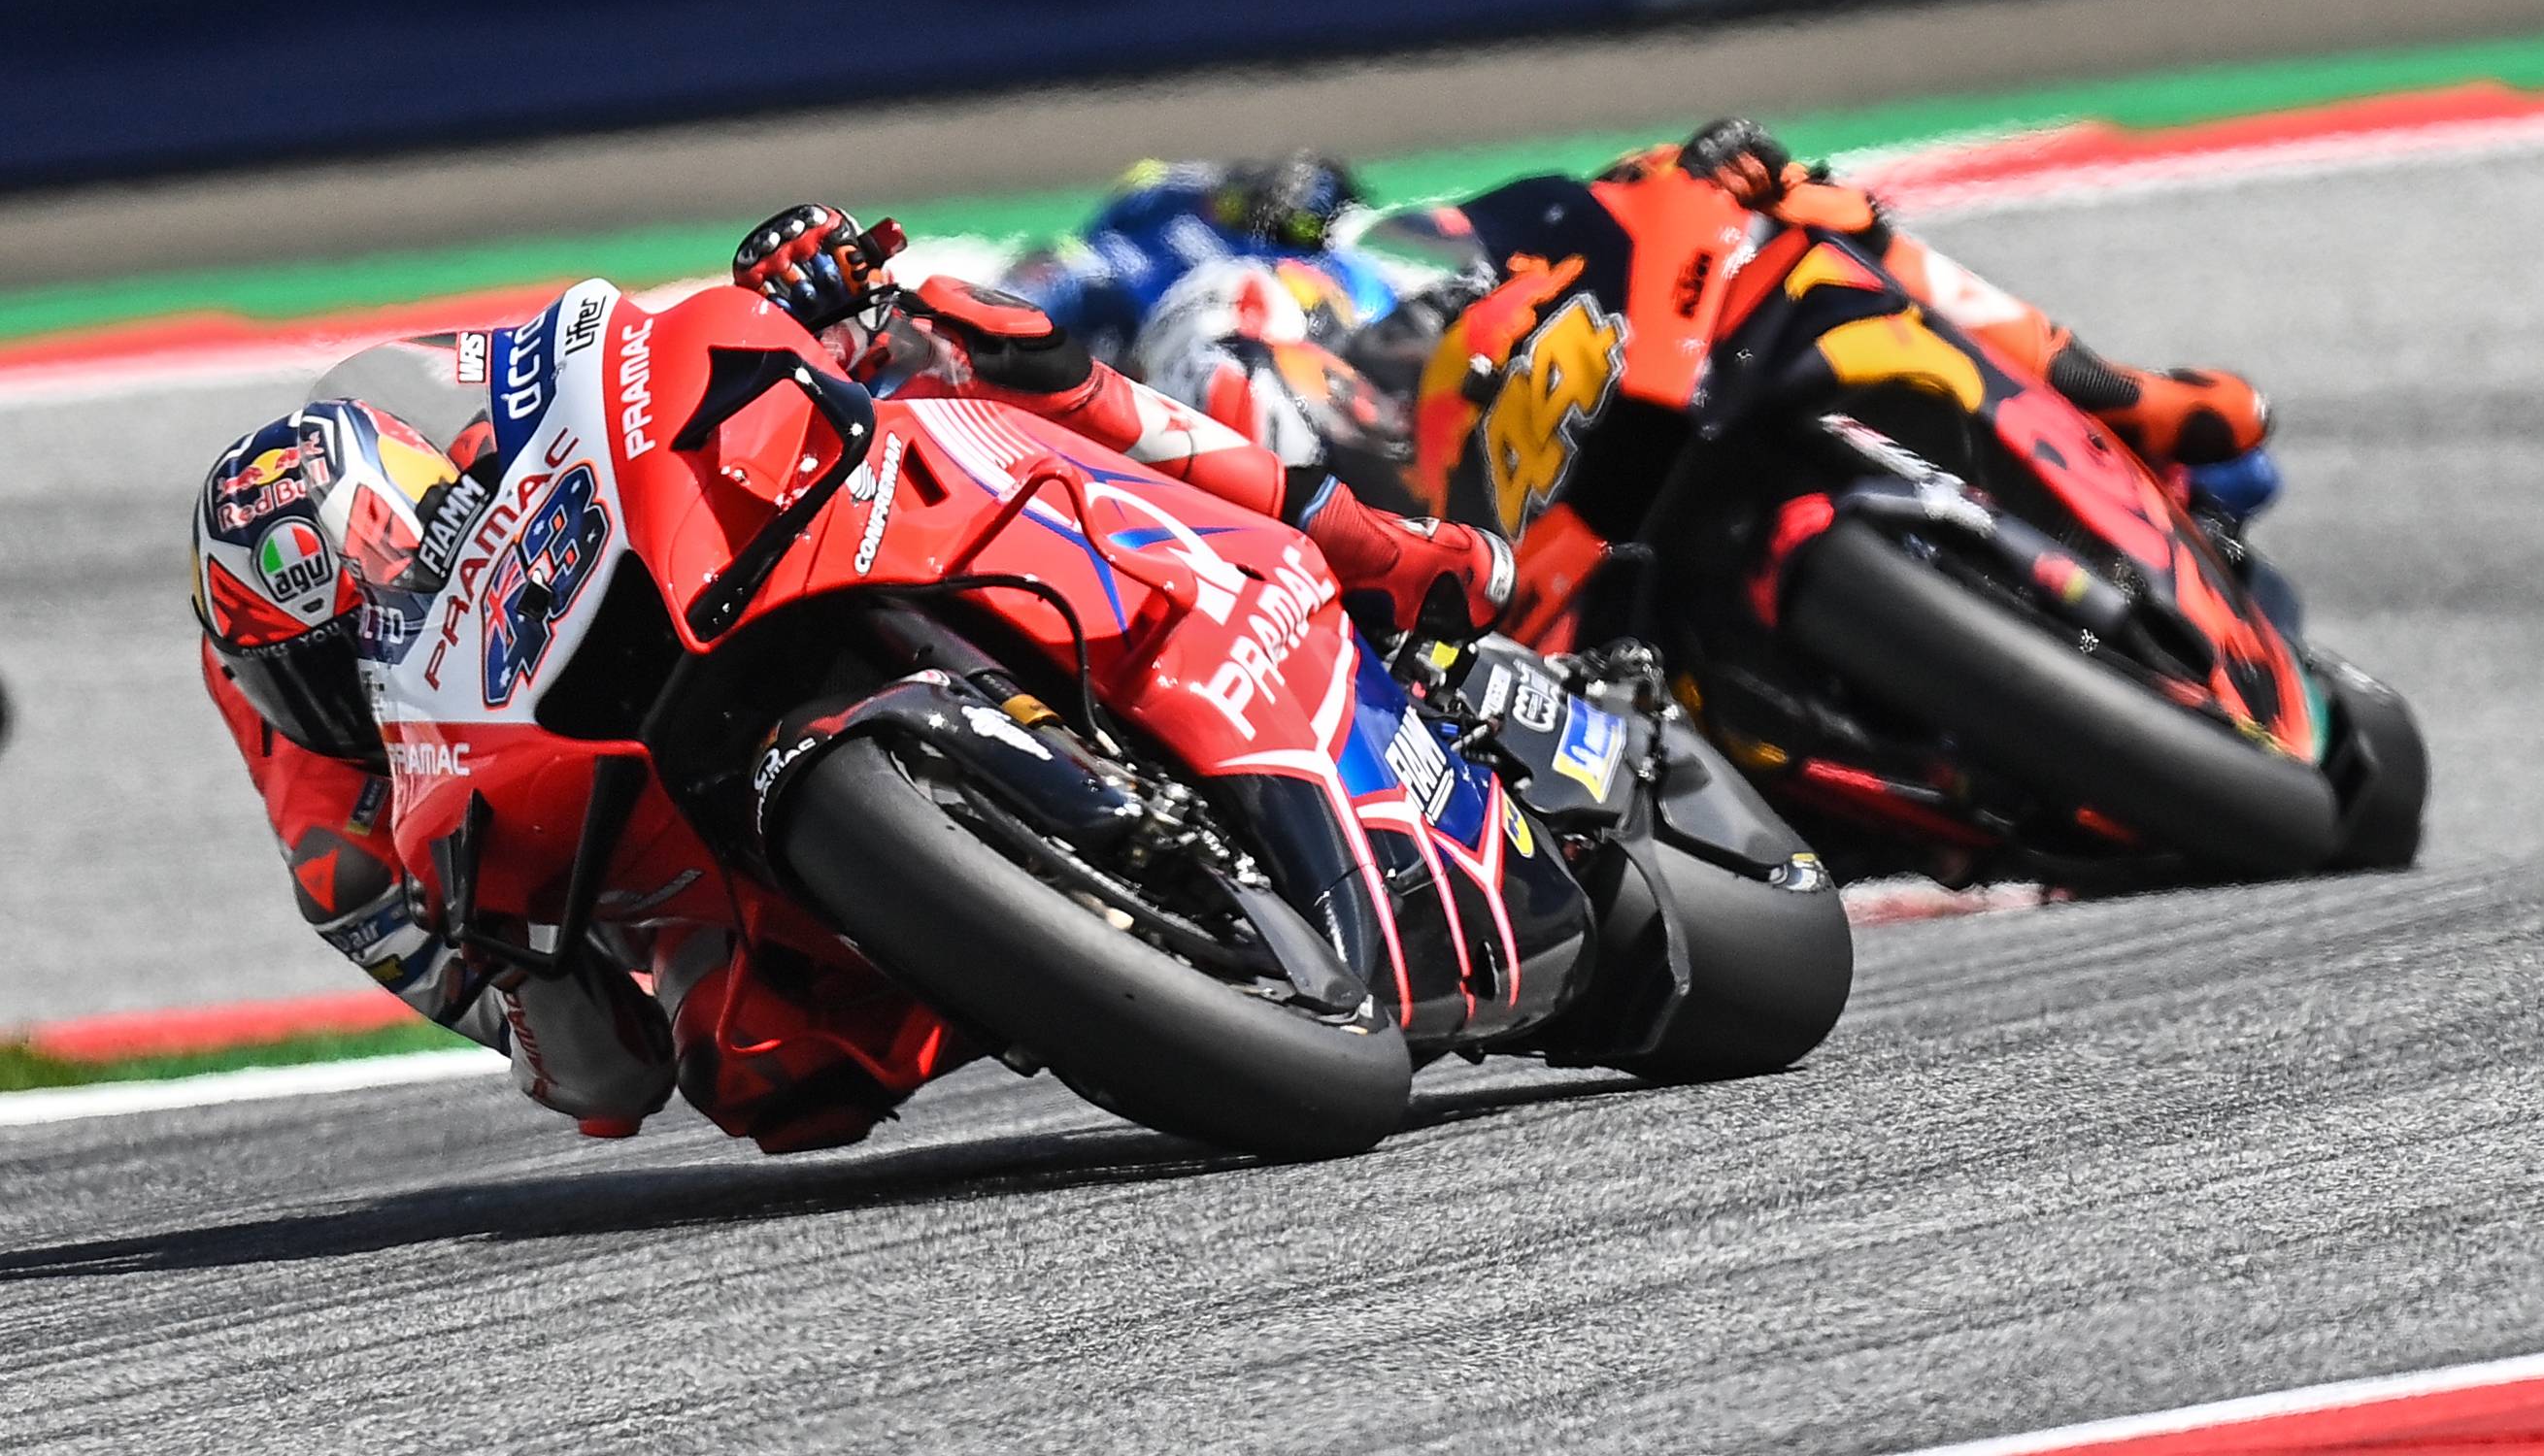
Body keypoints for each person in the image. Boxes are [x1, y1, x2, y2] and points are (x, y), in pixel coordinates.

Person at [193, 205, 1513, 1153]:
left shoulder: (474, 434)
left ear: (429, 499)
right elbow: (602, 1082)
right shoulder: (336, 832)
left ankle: (1380, 552)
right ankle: (1032, 951)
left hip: (714, 604)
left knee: (965, 347)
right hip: (648, 839)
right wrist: (512, 964)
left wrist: (796, 298)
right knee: (762, 1080)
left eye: (384, 592)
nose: (350, 669)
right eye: (312, 671)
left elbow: (620, 373)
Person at [1628, 119, 2276, 498]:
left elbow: (1639, 194)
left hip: (1757, 345)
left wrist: (1721, 168)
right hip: (1647, 474)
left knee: (1798, 211)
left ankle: (2116, 402)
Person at [1000, 152, 1407, 364]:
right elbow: (1111, 216)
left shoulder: (1336, 269)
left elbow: (1369, 315)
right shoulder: (1178, 189)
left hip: (1179, 351)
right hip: (1104, 304)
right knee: (1056, 268)